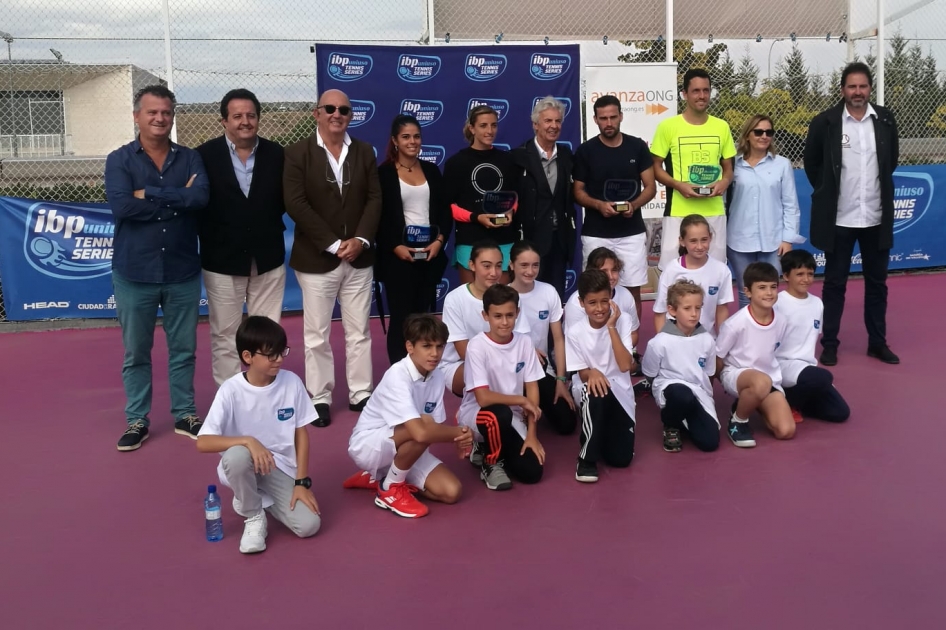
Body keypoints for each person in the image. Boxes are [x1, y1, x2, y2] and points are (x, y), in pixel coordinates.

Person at [104, 85, 209, 452]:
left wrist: (147, 193)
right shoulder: (119, 160)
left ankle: (185, 414)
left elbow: (201, 197)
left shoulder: (190, 158)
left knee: (183, 350)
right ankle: (138, 420)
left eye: (166, 112)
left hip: (181, 270)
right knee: (136, 352)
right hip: (135, 274)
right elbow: (122, 207)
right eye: (152, 112)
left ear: (172, 116)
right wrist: (176, 198)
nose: (160, 118)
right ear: (137, 116)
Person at [284, 89, 381, 427]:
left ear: (350, 115)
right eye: (330, 109)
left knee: (359, 331)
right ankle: (320, 397)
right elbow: (296, 204)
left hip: (358, 258)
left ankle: (361, 393)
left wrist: (360, 239)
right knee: (317, 334)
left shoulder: (365, 152)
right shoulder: (298, 154)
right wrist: (331, 243)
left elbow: (374, 199)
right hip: (317, 259)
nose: (337, 114)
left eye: (343, 109)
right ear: (317, 113)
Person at [196, 316, 321, 554]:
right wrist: (248, 440)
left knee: (309, 526)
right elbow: (203, 442)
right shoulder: (230, 390)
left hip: (279, 467)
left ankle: (252, 497)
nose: (279, 359)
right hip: (243, 464)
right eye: (270, 354)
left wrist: (301, 483)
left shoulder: (292, 382)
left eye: (282, 352)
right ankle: (253, 515)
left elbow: (301, 434)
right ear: (247, 357)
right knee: (236, 456)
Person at [803, 62, 900, 366]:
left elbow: (891, 162)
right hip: (839, 219)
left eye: (863, 86)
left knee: (877, 284)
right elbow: (812, 165)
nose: (857, 92)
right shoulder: (826, 122)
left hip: (875, 217)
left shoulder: (885, 120)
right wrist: (828, 192)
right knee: (834, 284)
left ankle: (877, 343)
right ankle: (830, 344)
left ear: (870, 88)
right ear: (843, 89)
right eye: (852, 86)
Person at [197, 88, 287, 387]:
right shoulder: (203, 156)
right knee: (225, 334)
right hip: (222, 259)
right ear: (224, 121)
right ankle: (230, 398)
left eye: (250, 115)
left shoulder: (277, 154)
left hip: (268, 258)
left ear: (259, 119)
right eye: (237, 116)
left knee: (268, 333)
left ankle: (266, 393)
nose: (245, 122)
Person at [343, 315, 471, 518]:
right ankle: (389, 488)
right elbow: (422, 434)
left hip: (403, 445)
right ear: (410, 347)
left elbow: (435, 428)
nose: (435, 354)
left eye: (439, 346)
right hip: (369, 446)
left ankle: (380, 476)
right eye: (427, 346)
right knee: (423, 427)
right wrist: (460, 433)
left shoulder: (436, 374)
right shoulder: (397, 375)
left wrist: (455, 437)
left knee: (451, 492)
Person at [375, 114, 451, 364]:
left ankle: (423, 368)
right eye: (406, 137)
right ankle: (399, 373)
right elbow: (379, 217)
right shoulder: (384, 174)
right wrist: (395, 246)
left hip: (429, 256)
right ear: (395, 140)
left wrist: (439, 241)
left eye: (416, 136)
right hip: (399, 259)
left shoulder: (430, 170)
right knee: (401, 318)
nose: (412, 141)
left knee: (424, 316)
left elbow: (443, 211)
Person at [573, 94, 657, 320]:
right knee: (593, 290)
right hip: (596, 233)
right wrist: (599, 205)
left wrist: (634, 205)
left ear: (621, 116)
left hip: (631, 233)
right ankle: (595, 345)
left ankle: (631, 345)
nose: (608, 123)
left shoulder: (637, 147)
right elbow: (578, 191)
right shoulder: (585, 151)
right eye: (603, 118)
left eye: (612, 117)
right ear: (595, 119)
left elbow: (650, 187)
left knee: (632, 291)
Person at [458, 284, 545, 491]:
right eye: (497, 316)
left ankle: (489, 446)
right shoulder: (477, 346)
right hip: (478, 414)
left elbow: (532, 389)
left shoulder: (524, 342)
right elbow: (483, 398)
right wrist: (522, 400)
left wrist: (532, 435)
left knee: (532, 472)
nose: (505, 322)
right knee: (498, 414)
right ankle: (490, 462)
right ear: (485, 315)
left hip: (512, 415)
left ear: (518, 314)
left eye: (509, 315)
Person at [651, 68, 736, 271]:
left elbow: (729, 169)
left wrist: (723, 182)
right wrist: (678, 185)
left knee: (714, 272)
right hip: (678, 211)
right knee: (673, 272)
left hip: (714, 211)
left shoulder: (721, 126)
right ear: (684, 94)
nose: (702, 96)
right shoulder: (668, 126)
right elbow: (655, 167)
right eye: (696, 91)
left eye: (706, 90)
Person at [565, 269, 637, 483]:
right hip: (590, 388)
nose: (599, 308)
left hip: (620, 391)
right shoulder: (575, 332)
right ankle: (586, 458)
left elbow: (625, 366)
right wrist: (593, 372)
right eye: (592, 302)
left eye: (604, 301)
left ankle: (603, 431)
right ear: (581, 302)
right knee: (596, 392)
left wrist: (612, 326)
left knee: (621, 460)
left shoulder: (621, 322)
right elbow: (582, 372)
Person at [716, 262, 794, 448]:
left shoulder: (782, 321)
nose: (769, 293)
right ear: (748, 292)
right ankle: (738, 420)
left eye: (773, 287)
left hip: (768, 380)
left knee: (786, 431)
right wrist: (712, 392)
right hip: (736, 375)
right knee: (760, 382)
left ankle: (753, 402)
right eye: (762, 287)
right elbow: (717, 359)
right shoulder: (735, 324)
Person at [728, 114, 802, 308]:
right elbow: (723, 201)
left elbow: (790, 204)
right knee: (746, 293)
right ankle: (748, 338)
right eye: (759, 131)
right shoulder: (732, 165)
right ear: (748, 135)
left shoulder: (782, 164)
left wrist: (787, 239)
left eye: (769, 132)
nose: (764, 136)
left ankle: (769, 336)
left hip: (773, 242)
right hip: (738, 240)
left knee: (768, 293)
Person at [439, 240, 531, 398]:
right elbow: (464, 352)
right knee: (492, 372)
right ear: (472, 265)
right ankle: (473, 410)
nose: (494, 273)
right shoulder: (454, 299)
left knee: (535, 365)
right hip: (460, 366)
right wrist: (503, 364)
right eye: (486, 266)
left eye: (498, 265)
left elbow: (522, 339)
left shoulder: (510, 295)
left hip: (505, 361)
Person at [443, 105, 520, 285]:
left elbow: (515, 197)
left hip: (504, 241)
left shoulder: (508, 160)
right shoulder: (456, 163)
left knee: (501, 302)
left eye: (494, 125)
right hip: (470, 241)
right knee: (472, 302)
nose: (490, 130)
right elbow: (448, 206)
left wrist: (511, 212)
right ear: (472, 128)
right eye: (483, 125)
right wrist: (476, 217)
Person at [642, 280, 720, 453]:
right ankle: (671, 424)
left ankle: (684, 415)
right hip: (671, 388)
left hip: (698, 391)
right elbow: (650, 373)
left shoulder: (707, 340)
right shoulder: (659, 342)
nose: (694, 314)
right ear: (672, 310)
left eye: (698, 308)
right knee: (681, 394)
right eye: (687, 308)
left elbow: (709, 373)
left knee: (710, 443)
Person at [508, 241, 577, 435]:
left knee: (567, 424)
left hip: (540, 369)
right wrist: (526, 351)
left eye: (535, 265)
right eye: (524, 265)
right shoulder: (502, 295)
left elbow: (558, 338)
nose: (530, 271)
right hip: (509, 371)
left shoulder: (548, 291)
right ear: (511, 265)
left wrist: (561, 380)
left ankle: (540, 401)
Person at [774, 250, 851, 424]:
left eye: (810, 274)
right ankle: (783, 402)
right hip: (783, 366)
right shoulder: (777, 303)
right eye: (799, 274)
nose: (806, 279)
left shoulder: (817, 303)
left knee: (840, 412)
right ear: (786, 276)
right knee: (824, 377)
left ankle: (797, 401)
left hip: (807, 368)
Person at [511, 96, 576, 299]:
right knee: (527, 297)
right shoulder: (518, 157)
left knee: (554, 297)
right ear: (535, 125)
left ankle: (553, 333)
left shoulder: (567, 155)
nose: (553, 126)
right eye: (548, 121)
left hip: (560, 240)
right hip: (530, 240)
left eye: (557, 121)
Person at [652, 214, 734, 336]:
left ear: (710, 238)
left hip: (707, 341)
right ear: (682, 241)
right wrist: (664, 343)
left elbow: (722, 309)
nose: (700, 246)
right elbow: (660, 312)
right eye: (693, 241)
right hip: (675, 341)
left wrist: (720, 345)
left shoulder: (721, 270)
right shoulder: (671, 270)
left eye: (704, 240)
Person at [564, 247, 639, 355]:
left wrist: (617, 353)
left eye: (614, 270)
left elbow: (634, 334)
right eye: (604, 271)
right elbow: (576, 345)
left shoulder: (626, 295)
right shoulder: (575, 304)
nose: (611, 277)